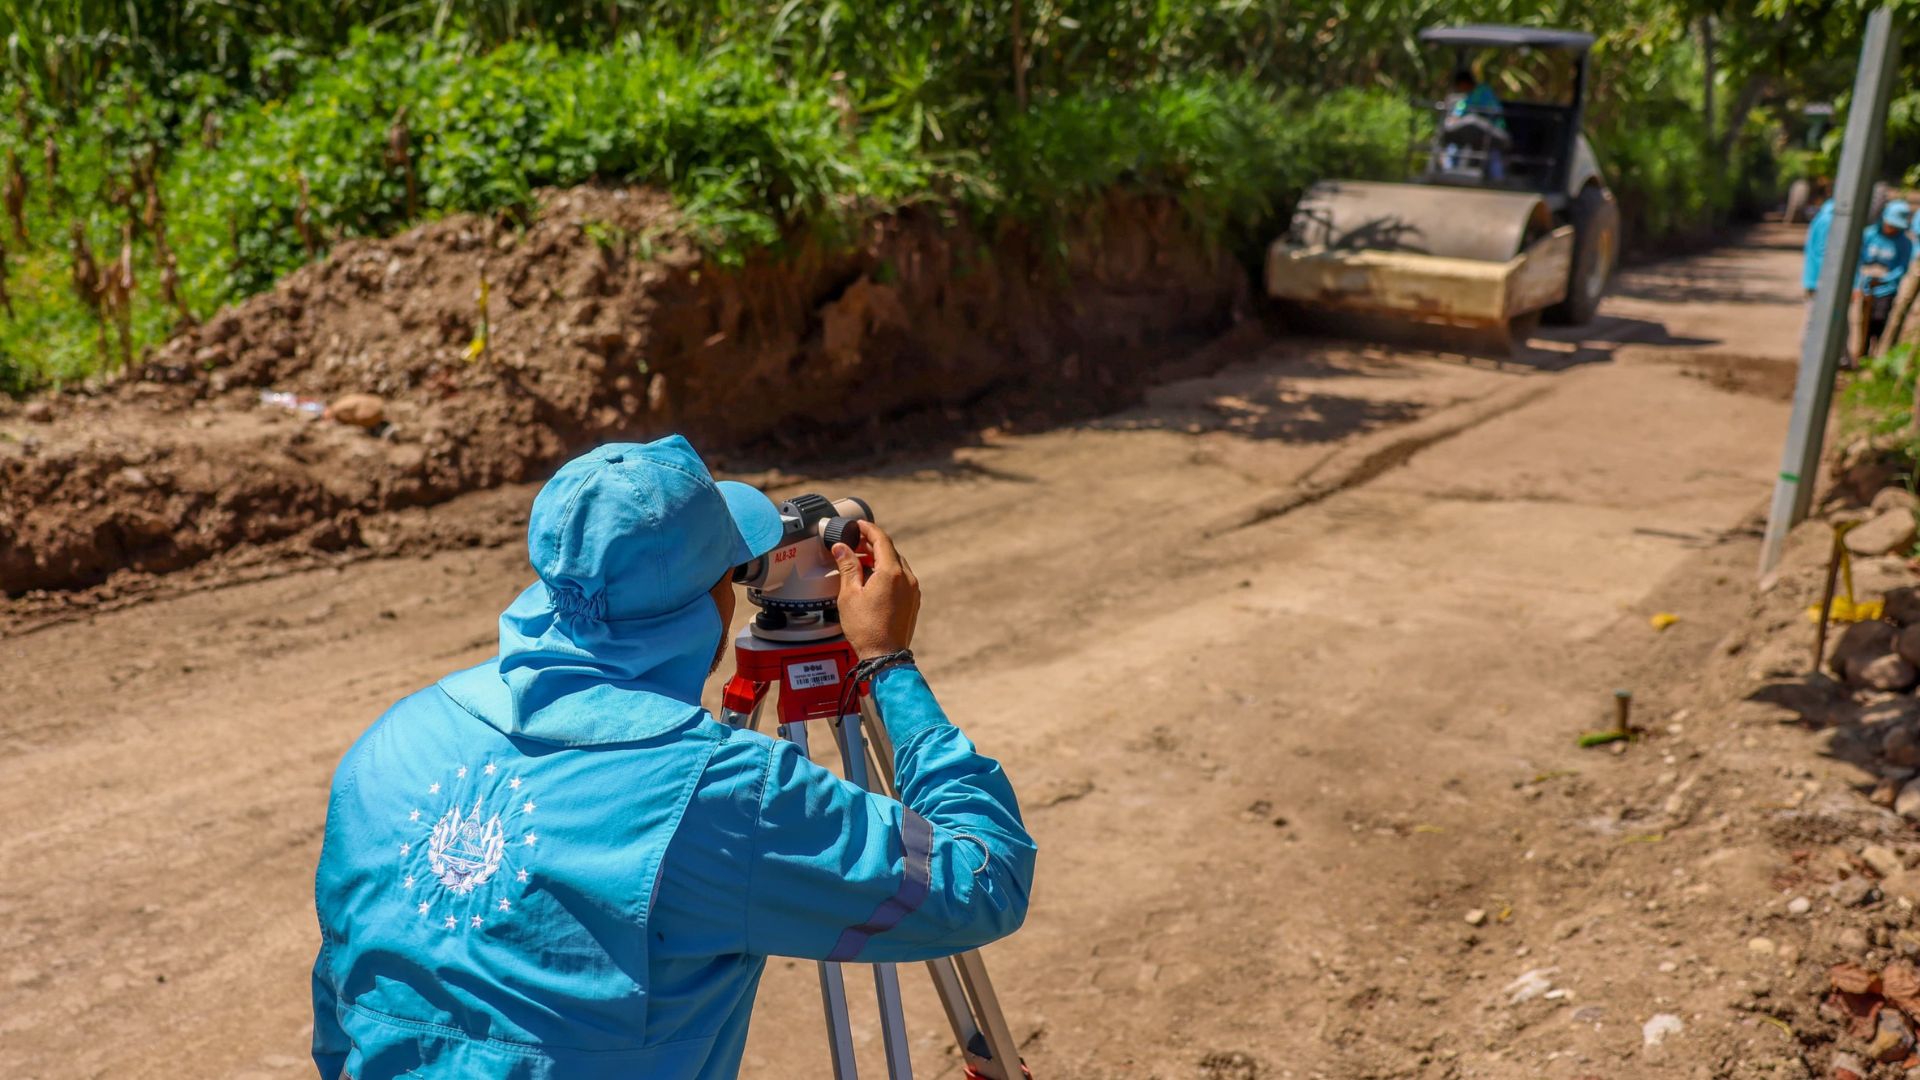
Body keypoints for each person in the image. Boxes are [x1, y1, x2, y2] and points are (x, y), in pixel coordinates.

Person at [310, 436, 1036, 1079]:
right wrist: (886, 662)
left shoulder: (390, 741)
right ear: (709, 605)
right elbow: (983, 881)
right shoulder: (722, 791)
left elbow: (340, 1001)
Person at [1855, 198, 1915, 355]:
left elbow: (1902, 268)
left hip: (1887, 289)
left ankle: (1877, 352)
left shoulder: (1905, 243)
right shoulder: (1869, 235)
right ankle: (1863, 353)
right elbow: (1858, 259)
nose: (1892, 229)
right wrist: (1862, 279)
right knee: (1864, 323)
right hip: (1866, 287)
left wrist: (1884, 278)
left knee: (1879, 320)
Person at [1441, 67, 1507, 180]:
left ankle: (1498, 180)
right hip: (1468, 132)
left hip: (1492, 131)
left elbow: (1496, 111)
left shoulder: (1484, 91)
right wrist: (1454, 118)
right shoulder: (1466, 97)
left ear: (1465, 83)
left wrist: (1479, 116)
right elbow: (1459, 111)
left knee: (1493, 153)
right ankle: (1448, 172)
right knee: (1453, 145)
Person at [1802, 177, 1834, 297]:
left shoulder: (1824, 214)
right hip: (1820, 281)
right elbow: (1822, 251)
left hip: (1815, 279)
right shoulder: (1829, 218)